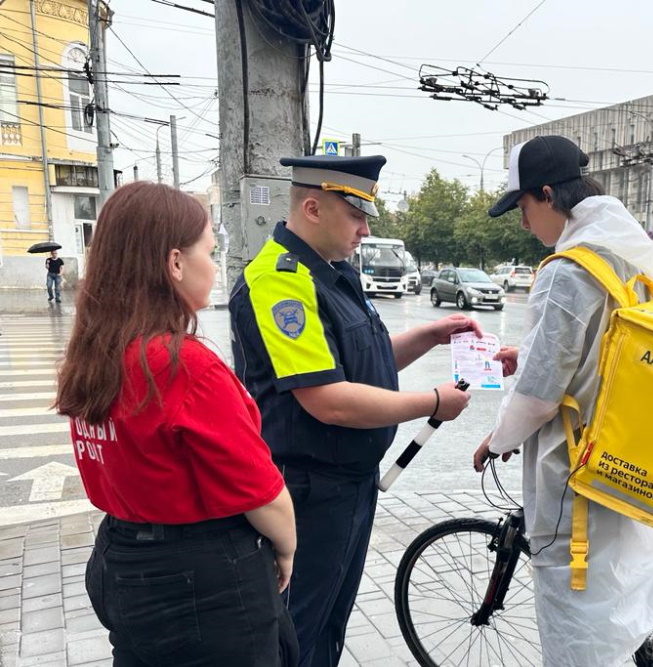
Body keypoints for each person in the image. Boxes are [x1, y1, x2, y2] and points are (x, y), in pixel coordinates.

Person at [229, 154, 480, 667]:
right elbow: (328, 400)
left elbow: (364, 360)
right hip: (308, 490)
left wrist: (430, 336)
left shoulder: (332, 273)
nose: (366, 230)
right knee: (296, 630)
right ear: (315, 208)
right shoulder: (282, 282)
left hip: (345, 488)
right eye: (357, 216)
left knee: (327, 623)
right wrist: (432, 402)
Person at [55, 182, 299, 666]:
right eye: (210, 251)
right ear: (174, 263)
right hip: (200, 578)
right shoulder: (182, 364)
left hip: (122, 559)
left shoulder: (95, 354)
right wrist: (287, 548)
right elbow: (263, 495)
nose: (215, 265)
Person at [473, 135, 653, 666]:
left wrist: (497, 440)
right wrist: (533, 352)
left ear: (547, 195)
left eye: (523, 207)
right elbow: (601, 345)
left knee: (577, 635)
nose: (524, 224)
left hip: (576, 477)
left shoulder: (568, 271)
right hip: (622, 460)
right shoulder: (628, 251)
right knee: (617, 609)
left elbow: (539, 397)